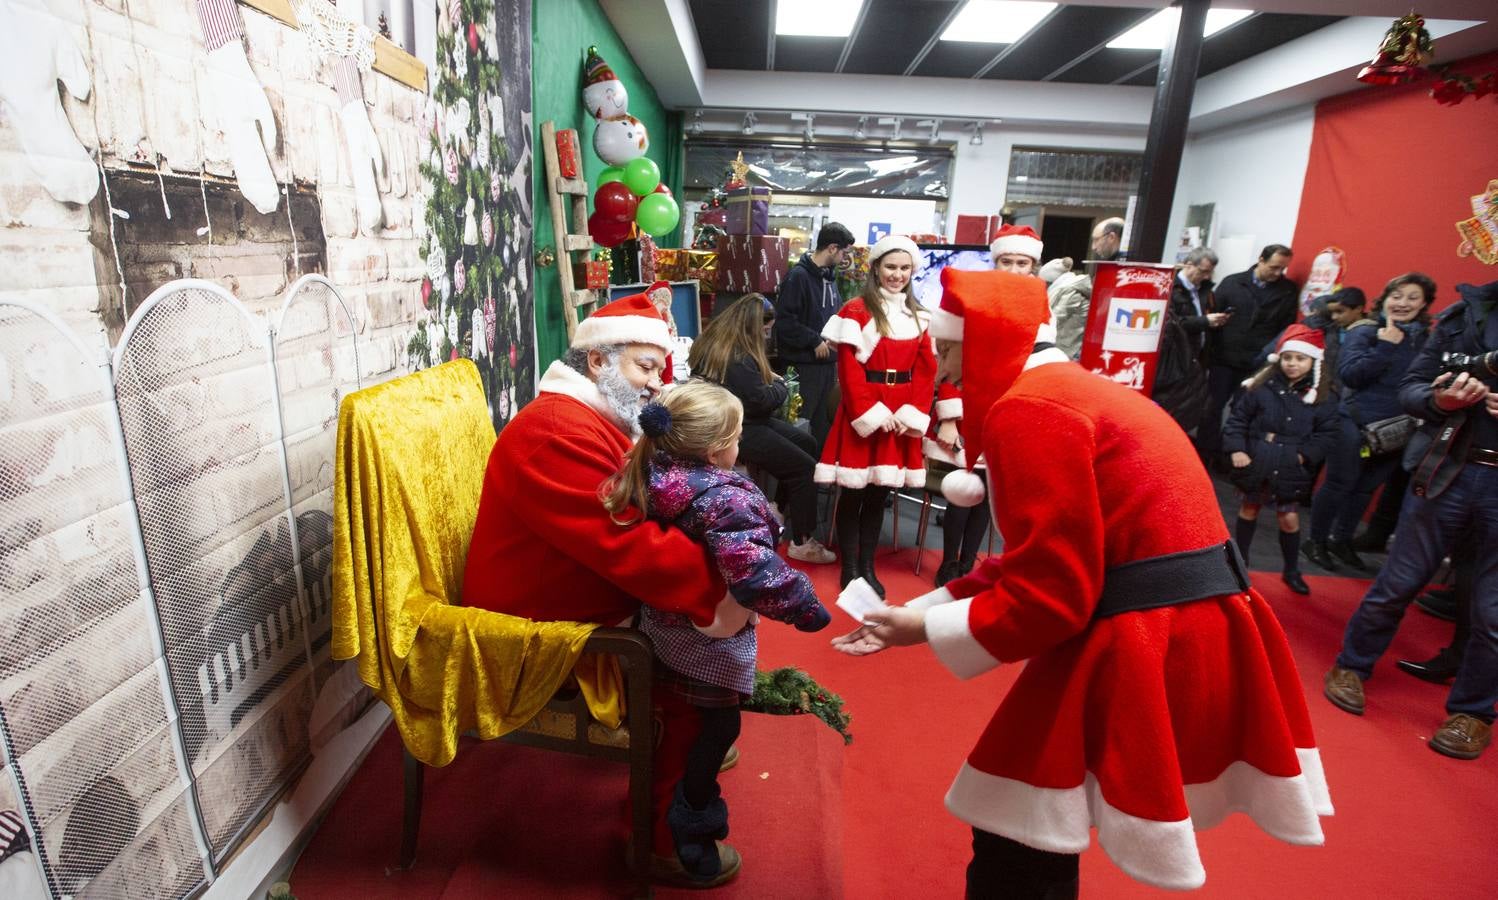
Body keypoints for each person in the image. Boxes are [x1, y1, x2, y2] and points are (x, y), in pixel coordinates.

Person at [833, 267, 1331, 897]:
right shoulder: (1076, 392)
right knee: (1035, 811)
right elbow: (1047, 563)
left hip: (1146, 627)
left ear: (986, 339)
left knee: (1023, 823)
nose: (948, 368)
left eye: (953, 348)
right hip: (1175, 614)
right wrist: (928, 610)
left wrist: (923, 627)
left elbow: (1054, 593)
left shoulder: (1031, 410)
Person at [460, 291, 736, 886]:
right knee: (696, 679)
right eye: (644, 366)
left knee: (704, 648)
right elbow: (627, 545)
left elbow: (637, 520)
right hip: (540, 622)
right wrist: (725, 581)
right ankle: (666, 838)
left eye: (660, 368)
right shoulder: (557, 431)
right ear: (597, 362)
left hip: (574, 591)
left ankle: (689, 768)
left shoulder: (596, 419)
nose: (656, 385)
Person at [601, 380, 831, 883]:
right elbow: (756, 574)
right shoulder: (724, 498)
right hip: (705, 642)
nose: (742, 443)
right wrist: (807, 606)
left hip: (665, 631)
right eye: (739, 435)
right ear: (715, 449)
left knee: (682, 730)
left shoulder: (653, 470)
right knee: (710, 731)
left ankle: (661, 818)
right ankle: (680, 837)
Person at [1324, 278, 1498, 762]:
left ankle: (1474, 712)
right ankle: (1352, 666)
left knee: (1493, 614)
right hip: (1448, 468)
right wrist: (1442, 401)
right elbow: (1412, 389)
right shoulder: (1466, 317)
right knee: (1398, 582)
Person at [817, 234, 937, 597]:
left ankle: (868, 566)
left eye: (904, 268)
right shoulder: (856, 310)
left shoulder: (919, 315)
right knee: (853, 494)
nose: (897, 274)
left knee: (879, 496)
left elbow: (926, 370)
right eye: (890, 267)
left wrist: (911, 412)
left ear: (912, 271)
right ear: (876, 268)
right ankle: (850, 568)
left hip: (900, 416)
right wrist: (872, 411)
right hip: (864, 412)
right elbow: (849, 371)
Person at [690, 294, 835, 563]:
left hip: (735, 419)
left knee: (808, 443)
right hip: (735, 427)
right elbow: (762, 401)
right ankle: (803, 541)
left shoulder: (717, 343)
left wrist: (768, 386)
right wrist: (779, 386)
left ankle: (777, 508)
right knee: (804, 467)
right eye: (765, 329)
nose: (767, 335)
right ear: (754, 326)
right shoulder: (737, 356)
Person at [1304, 274, 1432, 572]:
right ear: (1384, 299)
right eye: (1397, 296)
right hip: (1354, 422)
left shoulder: (1427, 339)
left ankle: (1342, 540)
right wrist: (1385, 347)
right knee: (1340, 483)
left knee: (1364, 489)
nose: (1403, 303)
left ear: (1424, 303)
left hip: (1398, 429)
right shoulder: (1366, 331)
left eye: (1413, 297)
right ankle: (1316, 540)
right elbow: (1350, 375)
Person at [1222, 325, 1339, 595]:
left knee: (1289, 518)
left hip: (1290, 462)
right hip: (1259, 457)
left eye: (1300, 359)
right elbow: (1238, 420)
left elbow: (1327, 433)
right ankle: (1240, 565)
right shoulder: (1260, 387)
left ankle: (1291, 570)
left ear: (1313, 361)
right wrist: (1237, 449)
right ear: (1279, 359)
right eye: (1288, 358)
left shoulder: (1324, 396)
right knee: (1249, 509)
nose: (1293, 364)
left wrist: (1303, 456)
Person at [1197, 244, 1299, 463]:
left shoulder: (1288, 290)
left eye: (1282, 269)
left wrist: (1266, 356)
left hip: (1257, 362)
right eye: (1274, 267)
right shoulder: (1233, 282)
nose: (1277, 273)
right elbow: (1213, 316)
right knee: (1211, 407)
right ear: (1261, 259)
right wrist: (1211, 352)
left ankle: (1228, 457)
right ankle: (1204, 455)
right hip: (1224, 358)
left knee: (1242, 412)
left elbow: (1285, 328)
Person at [774, 222, 855, 450]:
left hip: (827, 366)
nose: (844, 258)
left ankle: (817, 480)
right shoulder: (798, 277)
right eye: (843, 252)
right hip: (804, 366)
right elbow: (785, 322)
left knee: (822, 426)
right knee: (803, 425)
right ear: (832, 248)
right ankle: (800, 477)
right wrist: (814, 340)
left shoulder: (829, 279)